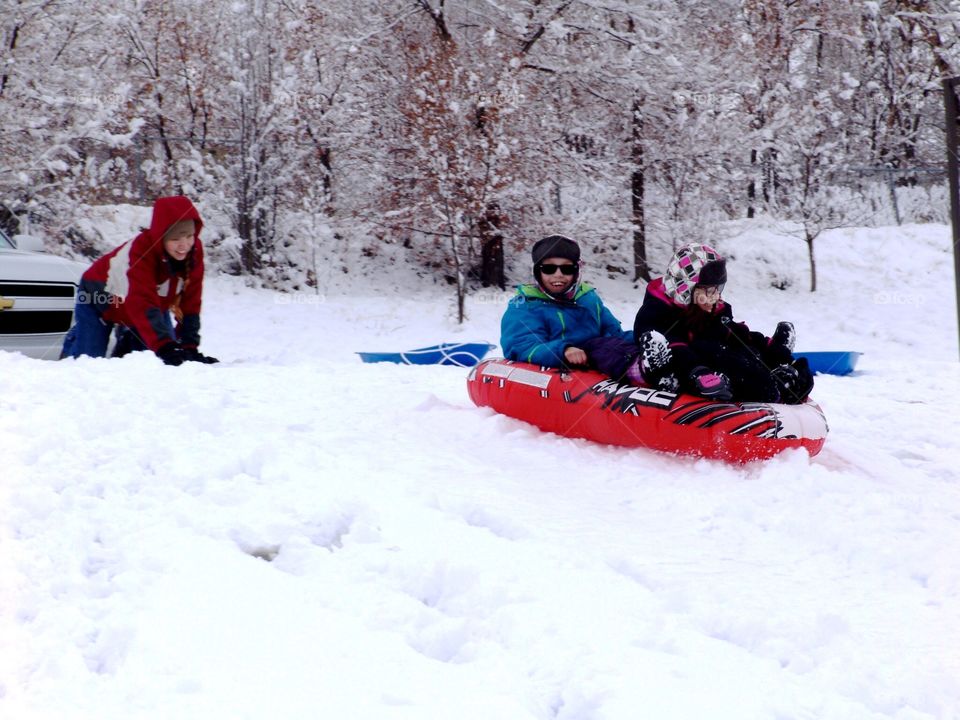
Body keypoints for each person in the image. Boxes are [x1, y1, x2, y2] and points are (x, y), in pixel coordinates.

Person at [632, 242, 813, 403]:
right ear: (686, 288)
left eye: (719, 289)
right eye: (710, 291)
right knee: (717, 353)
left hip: (708, 363)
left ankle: (781, 373)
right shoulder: (657, 312)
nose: (717, 296)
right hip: (688, 368)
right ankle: (773, 389)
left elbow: (738, 334)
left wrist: (772, 349)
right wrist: (698, 372)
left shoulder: (711, 309)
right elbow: (675, 345)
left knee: (744, 350)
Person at [60, 195, 218, 366]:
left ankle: (128, 337)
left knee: (159, 360)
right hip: (99, 298)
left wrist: (189, 347)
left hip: (148, 303)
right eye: (175, 239)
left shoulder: (193, 252)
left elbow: (191, 301)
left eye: (189, 236)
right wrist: (165, 347)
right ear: (161, 237)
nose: (184, 245)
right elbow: (141, 301)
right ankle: (76, 340)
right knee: (88, 362)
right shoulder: (141, 251)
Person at [501, 234, 662, 382]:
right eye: (549, 269)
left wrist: (642, 338)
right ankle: (642, 371)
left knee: (628, 341)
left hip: (602, 357)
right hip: (563, 366)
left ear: (576, 272)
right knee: (600, 347)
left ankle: (663, 365)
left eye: (567, 269)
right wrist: (564, 350)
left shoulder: (587, 298)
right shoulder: (525, 306)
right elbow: (522, 346)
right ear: (538, 272)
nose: (558, 274)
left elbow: (614, 333)